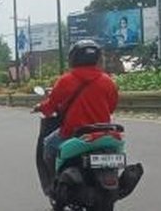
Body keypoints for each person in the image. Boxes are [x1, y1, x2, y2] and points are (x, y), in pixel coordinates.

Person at [32, 40, 119, 172]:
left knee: (48, 144)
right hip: (102, 133)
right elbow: (112, 107)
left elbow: (51, 106)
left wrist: (41, 107)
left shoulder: (65, 80)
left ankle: (54, 182)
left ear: (74, 58)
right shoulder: (107, 81)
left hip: (73, 134)